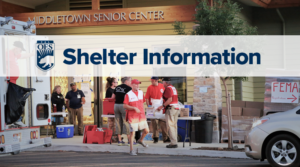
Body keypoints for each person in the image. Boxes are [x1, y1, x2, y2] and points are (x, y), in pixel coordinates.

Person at [123, 79, 149, 155]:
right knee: (132, 133)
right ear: (132, 85)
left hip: (141, 116)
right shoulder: (128, 94)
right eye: (136, 84)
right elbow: (124, 105)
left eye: (138, 84)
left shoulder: (141, 92)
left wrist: (145, 114)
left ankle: (140, 140)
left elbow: (142, 104)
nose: (138, 85)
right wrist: (134, 108)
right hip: (133, 117)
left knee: (147, 130)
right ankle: (131, 150)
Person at [145, 76, 170, 143]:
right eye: (151, 80)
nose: (151, 82)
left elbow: (167, 97)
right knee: (154, 123)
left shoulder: (162, 86)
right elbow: (147, 98)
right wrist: (149, 106)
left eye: (152, 80)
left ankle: (166, 138)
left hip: (161, 106)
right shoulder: (149, 87)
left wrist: (163, 106)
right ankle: (155, 138)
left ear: (156, 80)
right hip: (153, 107)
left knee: (163, 123)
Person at [157, 77, 180, 148]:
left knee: (170, 126)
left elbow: (169, 99)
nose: (162, 83)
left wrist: (162, 106)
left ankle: (173, 143)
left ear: (166, 82)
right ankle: (174, 141)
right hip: (176, 108)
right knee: (174, 126)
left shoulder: (168, 89)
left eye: (163, 82)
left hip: (171, 108)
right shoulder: (173, 88)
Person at [111, 77, 132, 146]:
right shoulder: (129, 88)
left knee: (118, 122)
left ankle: (119, 140)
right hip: (124, 106)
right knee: (125, 122)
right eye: (130, 81)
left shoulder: (117, 87)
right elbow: (131, 98)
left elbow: (112, 97)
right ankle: (129, 141)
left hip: (116, 106)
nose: (130, 82)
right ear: (126, 81)